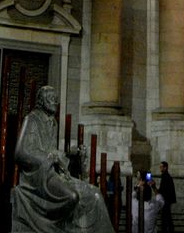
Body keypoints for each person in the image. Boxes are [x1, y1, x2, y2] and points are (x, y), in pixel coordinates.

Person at [11, 85, 114, 233]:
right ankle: (52, 226)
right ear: (41, 101)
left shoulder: (53, 123)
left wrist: (70, 156)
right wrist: (48, 158)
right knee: (72, 197)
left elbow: (52, 151)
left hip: (54, 172)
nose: (55, 101)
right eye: (50, 98)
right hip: (38, 176)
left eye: (56, 99)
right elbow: (20, 152)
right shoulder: (31, 119)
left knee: (95, 194)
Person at [158, 161, 177, 233]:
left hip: (166, 200)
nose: (160, 168)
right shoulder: (166, 176)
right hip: (167, 200)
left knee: (166, 218)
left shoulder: (166, 176)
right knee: (167, 217)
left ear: (165, 167)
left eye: (161, 167)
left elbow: (164, 189)